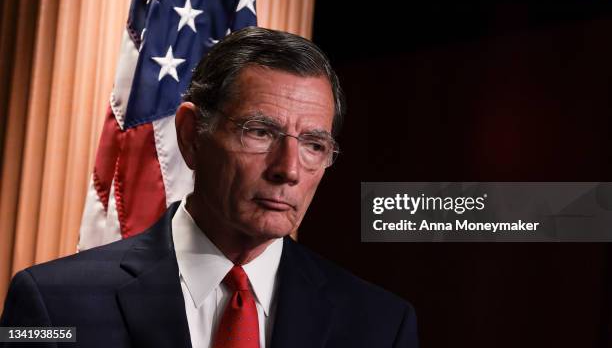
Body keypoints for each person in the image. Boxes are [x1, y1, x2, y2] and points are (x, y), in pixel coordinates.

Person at [0, 27, 418, 347]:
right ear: (191, 135)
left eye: (313, 144)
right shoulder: (53, 305)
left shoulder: (380, 325)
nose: (288, 169)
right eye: (259, 132)